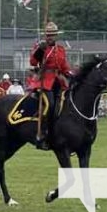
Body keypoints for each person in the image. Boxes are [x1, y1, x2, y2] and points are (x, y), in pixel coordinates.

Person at [29, 21, 71, 150]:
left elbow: (64, 67)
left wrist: (71, 74)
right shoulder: (40, 46)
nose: (50, 37)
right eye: (48, 35)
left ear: (56, 35)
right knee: (50, 104)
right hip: (44, 81)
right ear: (45, 35)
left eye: (52, 34)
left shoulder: (60, 49)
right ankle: (42, 134)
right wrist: (39, 50)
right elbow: (33, 62)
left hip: (58, 81)